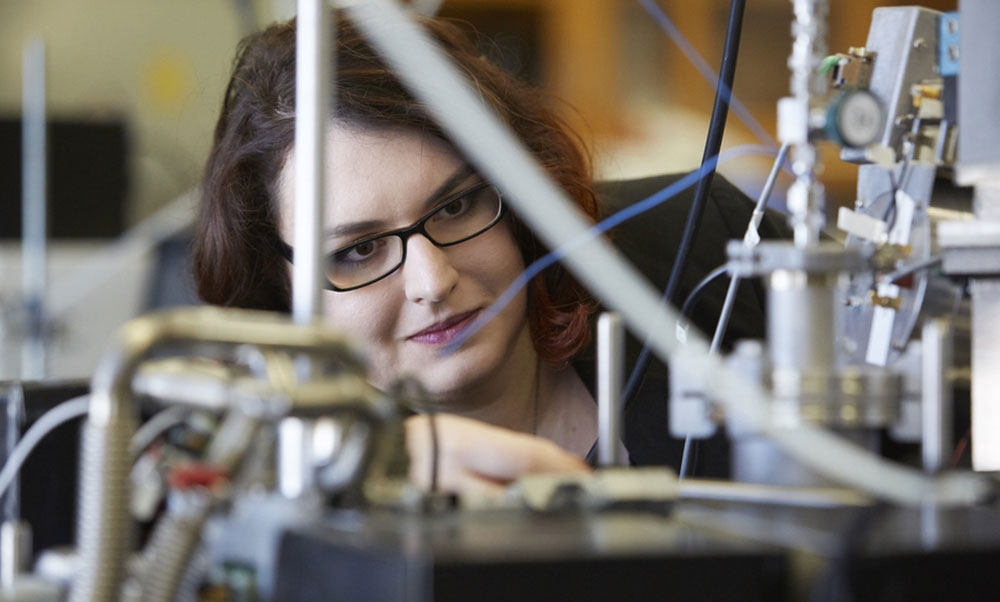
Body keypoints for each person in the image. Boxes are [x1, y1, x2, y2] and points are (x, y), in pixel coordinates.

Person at [193, 13, 780, 493]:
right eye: (359, 250)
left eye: (455, 208)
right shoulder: (274, 492)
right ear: (275, 285)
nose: (433, 279)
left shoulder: (716, 244)